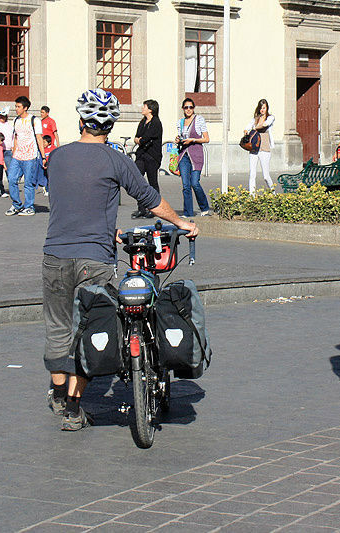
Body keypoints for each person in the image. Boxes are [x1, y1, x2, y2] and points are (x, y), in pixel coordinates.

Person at [43, 89, 198, 431]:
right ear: (110, 126)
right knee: (91, 326)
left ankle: (56, 392)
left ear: (81, 121)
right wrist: (182, 223)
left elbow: (72, 198)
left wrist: (104, 227)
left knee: (57, 325)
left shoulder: (57, 157)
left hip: (54, 254)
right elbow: (150, 199)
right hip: (94, 259)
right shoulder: (116, 160)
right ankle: (73, 406)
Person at [5, 95, 46, 216]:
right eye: (16, 106)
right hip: (17, 156)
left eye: (18, 106)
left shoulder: (34, 120)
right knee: (12, 179)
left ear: (25, 108)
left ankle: (29, 207)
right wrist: (14, 153)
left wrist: (43, 157)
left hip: (30, 156)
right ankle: (16, 204)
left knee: (28, 183)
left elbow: (39, 138)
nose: (16, 109)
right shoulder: (16, 120)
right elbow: (16, 137)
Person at [175, 97, 211, 217]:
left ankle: (204, 207)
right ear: (183, 109)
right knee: (186, 185)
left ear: (193, 108)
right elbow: (181, 137)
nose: (188, 109)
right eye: (186, 107)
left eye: (191, 107)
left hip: (196, 155)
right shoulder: (180, 122)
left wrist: (193, 140)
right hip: (184, 155)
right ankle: (188, 212)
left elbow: (206, 138)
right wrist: (178, 140)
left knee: (195, 183)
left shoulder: (199, 120)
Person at [132, 99, 163, 218]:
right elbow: (137, 136)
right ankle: (141, 208)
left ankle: (154, 209)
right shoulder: (143, 122)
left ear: (150, 109)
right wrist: (140, 139)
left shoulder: (156, 123)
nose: (142, 108)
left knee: (152, 183)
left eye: (144, 107)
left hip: (152, 156)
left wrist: (140, 140)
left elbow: (146, 138)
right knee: (138, 180)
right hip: (141, 155)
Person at [245, 98, 275, 193]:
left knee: (266, 176)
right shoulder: (255, 119)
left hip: (264, 148)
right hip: (254, 148)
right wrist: (246, 131)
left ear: (267, 108)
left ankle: (273, 192)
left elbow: (265, 125)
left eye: (264, 108)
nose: (262, 110)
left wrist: (253, 128)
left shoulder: (270, 117)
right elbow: (246, 128)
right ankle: (252, 196)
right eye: (261, 108)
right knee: (252, 174)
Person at [36, 106, 59, 195]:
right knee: (42, 167)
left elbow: (55, 133)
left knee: (50, 168)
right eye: (40, 112)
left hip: (50, 148)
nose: (41, 114)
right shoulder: (40, 122)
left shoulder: (51, 121)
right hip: (42, 148)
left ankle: (49, 186)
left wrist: (58, 145)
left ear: (47, 113)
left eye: (43, 112)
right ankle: (44, 185)